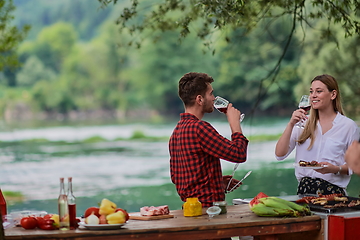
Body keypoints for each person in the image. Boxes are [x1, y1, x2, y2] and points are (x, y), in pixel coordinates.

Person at [169, 72, 249, 208]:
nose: (214, 98)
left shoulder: (176, 132)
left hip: (191, 209)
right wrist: (235, 124)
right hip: (209, 211)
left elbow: (178, 179)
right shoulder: (200, 128)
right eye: (211, 94)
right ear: (200, 99)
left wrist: (216, 182)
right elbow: (239, 154)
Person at [275, 74, 359, 196]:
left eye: (319, 91)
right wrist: (291, 124)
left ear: (333, 94)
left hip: (334, 195)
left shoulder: (348, 126)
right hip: (304, 193)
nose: (313, 95)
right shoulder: (302, 123)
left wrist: (336, 169)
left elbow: (356, 165)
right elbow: (279, 154)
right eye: (311, 91)